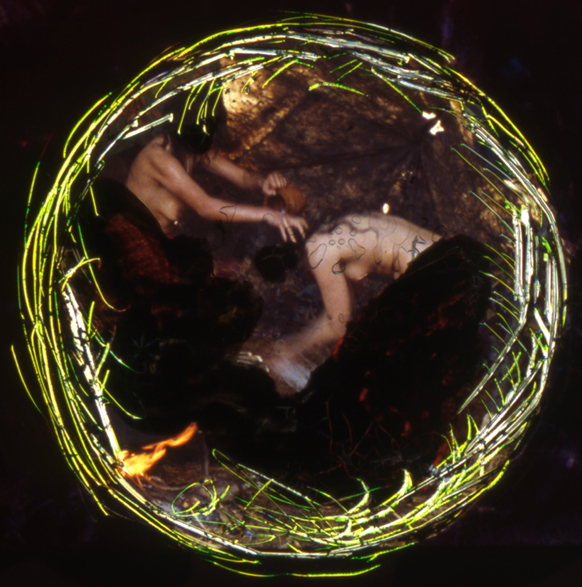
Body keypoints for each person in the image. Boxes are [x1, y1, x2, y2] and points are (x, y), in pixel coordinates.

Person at [267, 206, 441, 392]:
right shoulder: (336, 225)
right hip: (443, 250)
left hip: (425, 271)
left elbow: (339, 325)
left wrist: (291, 348)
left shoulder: (317, 250)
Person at [125, 128, 307, 241]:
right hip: (136, 240)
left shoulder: (195, 147)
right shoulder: (158, 156)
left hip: (165, 239)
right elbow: (205, 206)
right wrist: (267, 214)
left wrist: (263, 182)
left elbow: (244, 178)